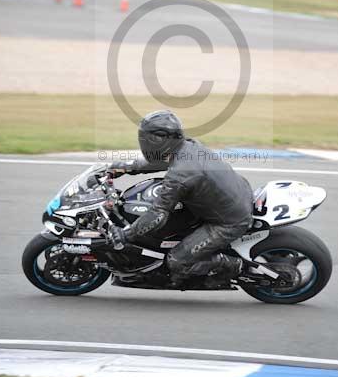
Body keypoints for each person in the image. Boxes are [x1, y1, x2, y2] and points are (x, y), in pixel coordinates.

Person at [108, 110, 253, 288]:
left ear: (159, 141)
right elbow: (161, 161)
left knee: (177, 261)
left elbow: (157, 215)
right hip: (236, 194)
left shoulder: (180, 175)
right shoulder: (187, 146)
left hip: (228, 222)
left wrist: (127, 234)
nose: (143, 142)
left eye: (147, 138)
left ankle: (234, 265)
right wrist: (123, 167)